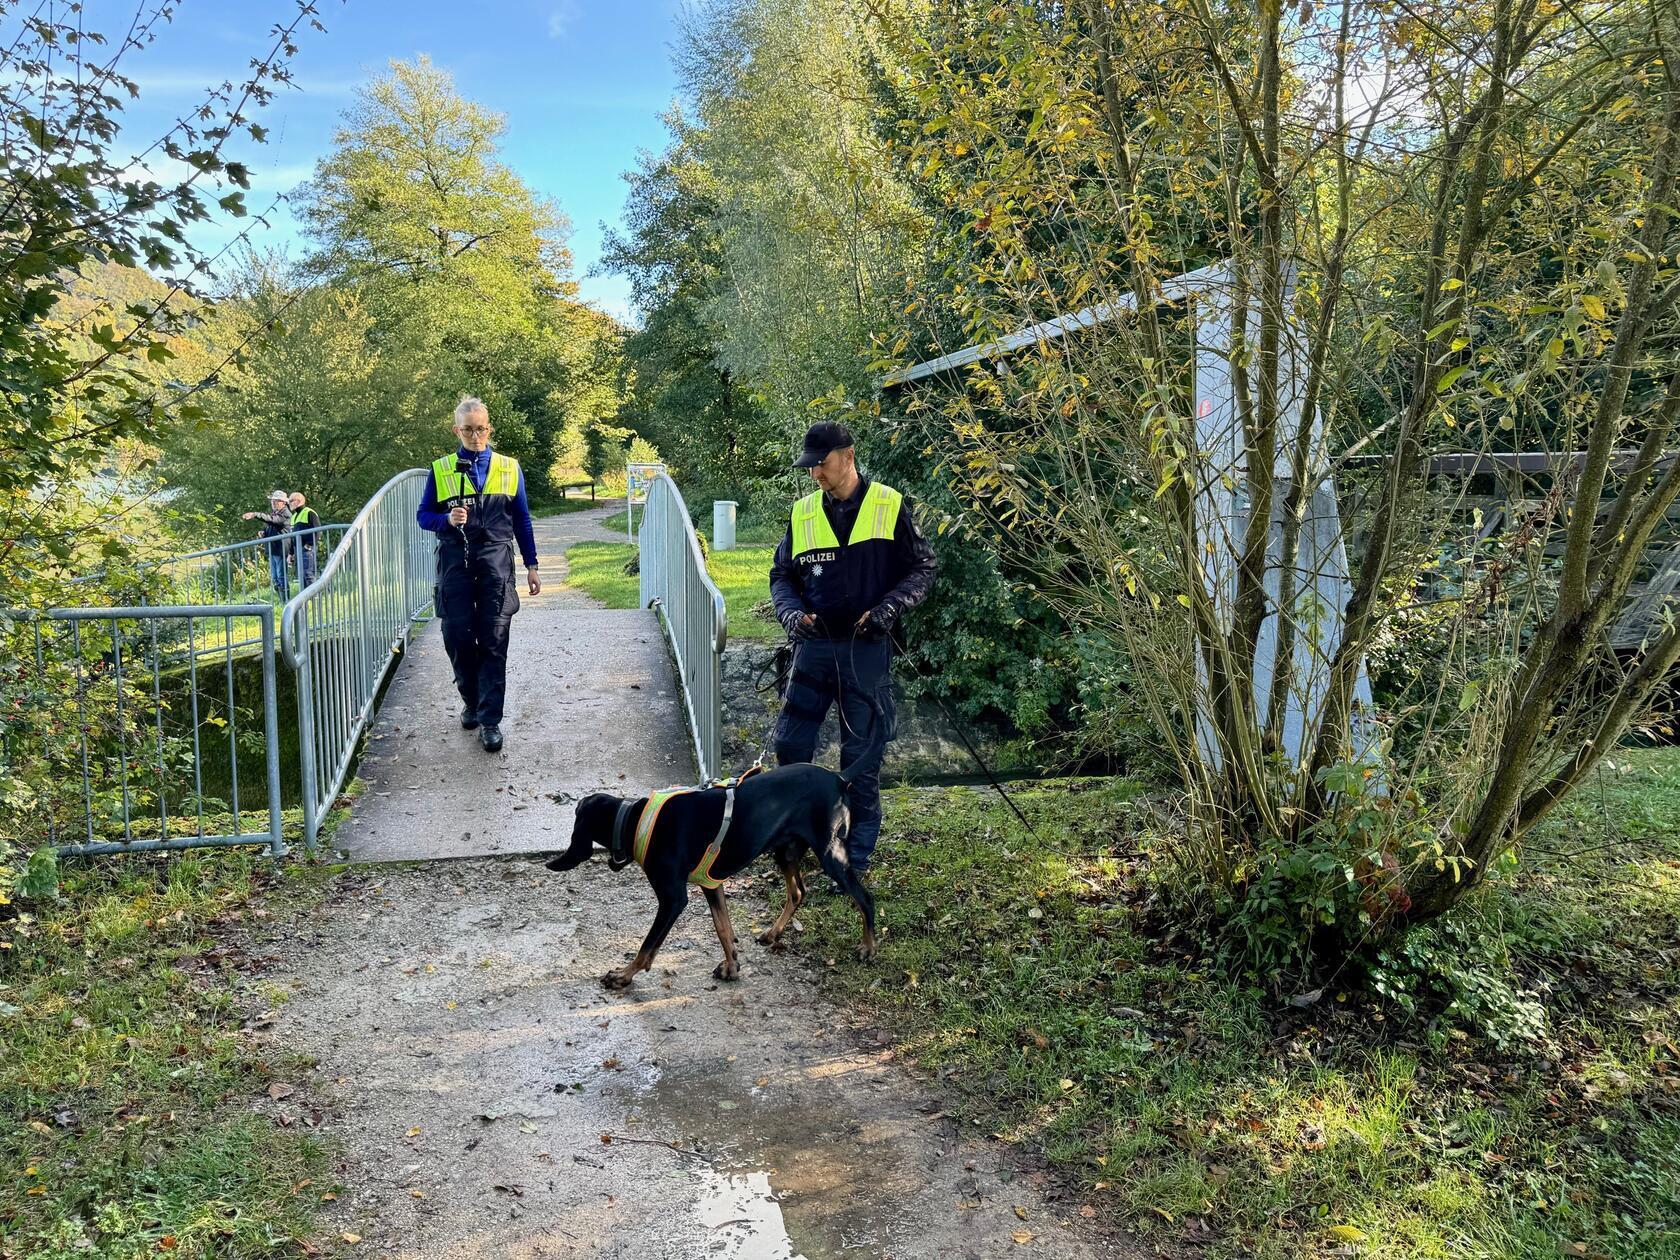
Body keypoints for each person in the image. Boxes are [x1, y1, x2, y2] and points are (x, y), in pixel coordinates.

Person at [768, 421, 937, 879]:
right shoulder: (803, 513)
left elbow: (922, 568)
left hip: (866, 649)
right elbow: (781, 576)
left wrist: (888, 609)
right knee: (790, 747)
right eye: (810, 468)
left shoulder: (890, 505)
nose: (814, 475)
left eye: (820, 465)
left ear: (848, 455)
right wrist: (790, 615)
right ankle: (798, 842)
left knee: (859, 759)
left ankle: (854, 859)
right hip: (814, 648)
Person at [414, 397, 541, 753]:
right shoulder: (440, 469)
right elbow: (423, 515)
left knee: (494, 639)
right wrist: (445, 520)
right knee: (455, 636)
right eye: (468, 429)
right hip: (455, 561)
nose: (475, 435)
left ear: (489, 429)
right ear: (457, 430)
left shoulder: (508, 467)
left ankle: (489, 720)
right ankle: (470, 698)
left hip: (496, 562)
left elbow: (522, 519)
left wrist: (531, 565)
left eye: (481, 428)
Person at [242, 490, 293, 601]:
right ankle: (282, 601)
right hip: (273, 549)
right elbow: (271, 526)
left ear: (283, 502)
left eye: (276, 501)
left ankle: (286, 602)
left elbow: (273, 521)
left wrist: (255, 515)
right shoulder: (276, 513)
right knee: (275, 578)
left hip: (281, 550)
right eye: (272, 501)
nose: (273, 503)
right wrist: (264, 533)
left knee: (281, 576)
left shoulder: (285, 513)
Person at [288, 491, 320, 589]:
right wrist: (291, 553)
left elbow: (318, 530)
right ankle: (305, 600)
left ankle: (314, 597)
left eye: (291, 501)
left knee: (308, 573)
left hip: (307, 549)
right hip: (297, 549)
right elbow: (292, 537)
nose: (289, 503)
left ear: (299, 501)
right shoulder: (293, 517)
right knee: (301, 575)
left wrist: (309, 545)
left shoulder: (309, 512)